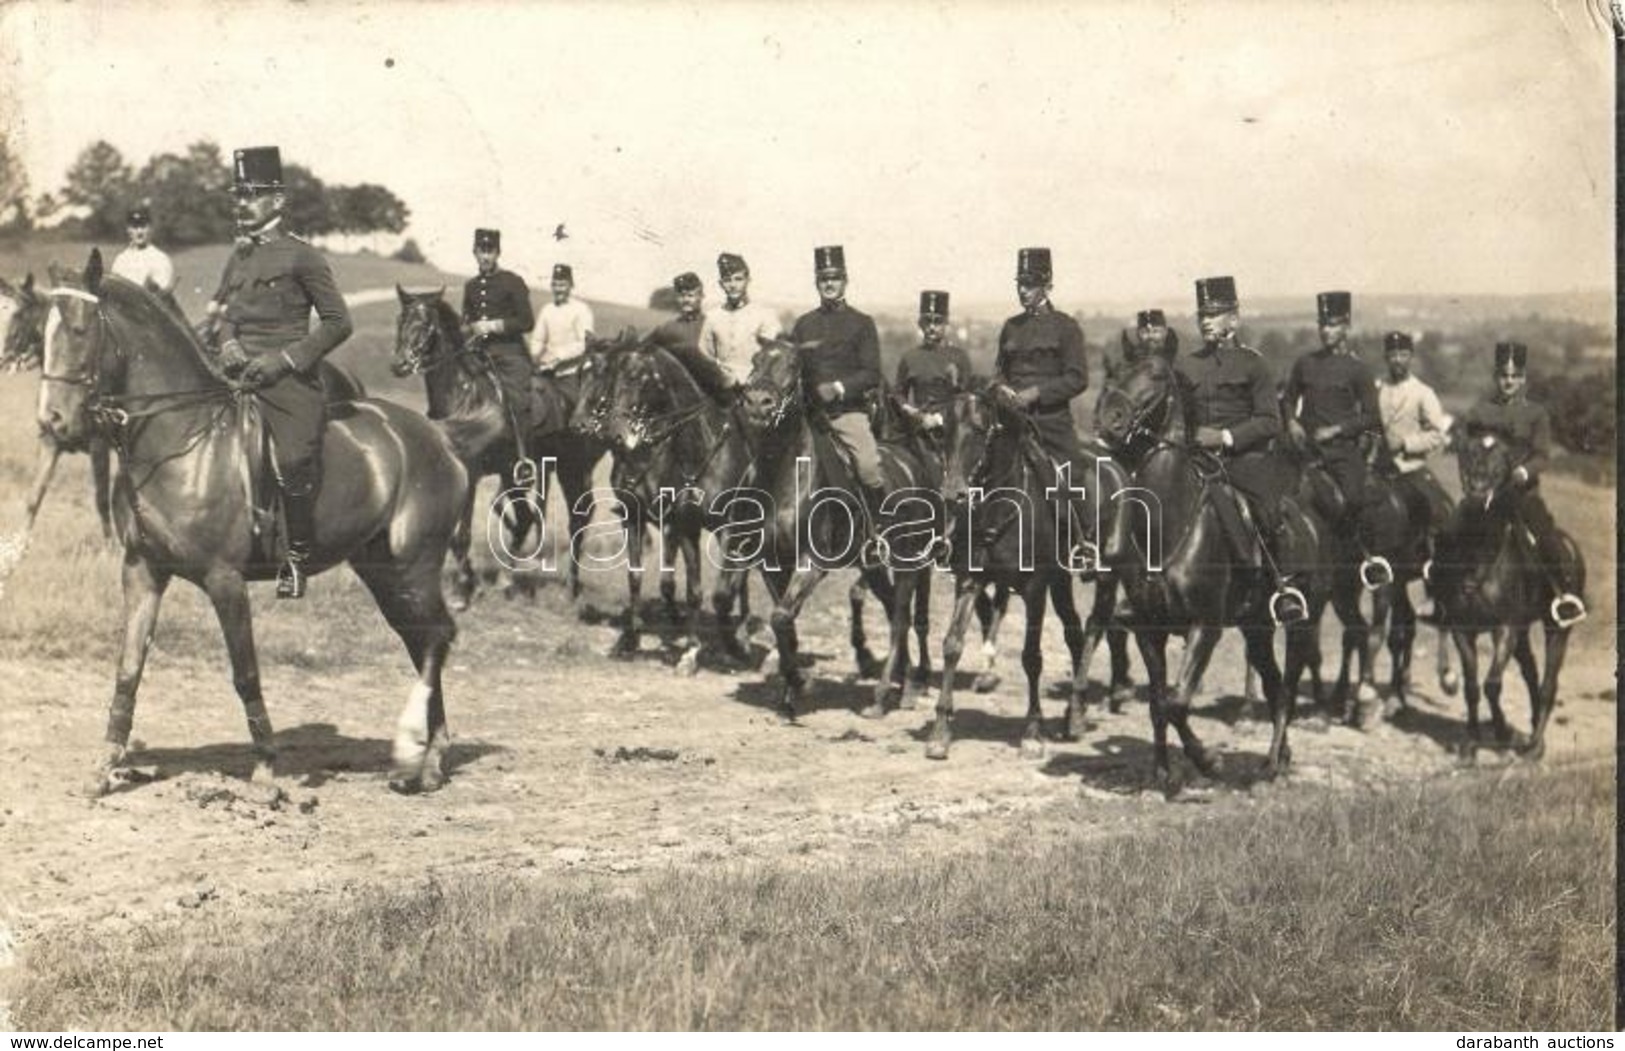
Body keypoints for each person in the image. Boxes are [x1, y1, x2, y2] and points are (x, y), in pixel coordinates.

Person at [204, 146, 353, 599]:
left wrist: (285, 360)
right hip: (236, 373)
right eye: (239, 194)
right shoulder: (240, 256)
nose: (242, 202)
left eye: (252, 193)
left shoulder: (301, 257)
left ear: (278, 201)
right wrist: (229, 343)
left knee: (291, 459)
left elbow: (338, 322)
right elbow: (228, 313)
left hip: (287, 380)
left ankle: (297, 556)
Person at [1176, 275, 1306, 622]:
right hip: (1196, 459)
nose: (1205, 320)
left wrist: (1225, 438)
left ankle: (1283, 587)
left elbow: (1269, 421)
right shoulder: (1186, 365)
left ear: (1234, 319)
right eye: (1202, 313)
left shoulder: (1254, 364)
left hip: (1243, 460)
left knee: (1268, 512)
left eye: (1215, 313)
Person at [1450, 341, 1585, 623]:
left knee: (1545, 538)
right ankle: (1439, 598)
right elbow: (1463, 442)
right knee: (1452, 531)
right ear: (1495, 377)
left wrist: (1525, 471)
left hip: (1521, 494)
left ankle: (1564, 595)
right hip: (1484, 495)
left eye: (1515, 376)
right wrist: (1470, 469)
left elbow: (1542, 455)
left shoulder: (1536, 414)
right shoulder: (1479, 411)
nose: (1508, 381)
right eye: (1503, 375)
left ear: (1523, 378)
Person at [788, 245, 885, 515]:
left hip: (846, 415)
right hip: (809, 417)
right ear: (816, 282)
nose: (829, 283)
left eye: (835, 278)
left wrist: (838, 388)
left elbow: (871, 373)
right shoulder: (803, 324)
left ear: (845, 281)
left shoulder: (862, 323)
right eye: (823, 278)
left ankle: (880, 531)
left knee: (867, 467)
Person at [1282, 291, 1382, 527]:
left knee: (1354, 501)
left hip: (1341, 453)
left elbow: (1372, 417)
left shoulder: (1359, 369)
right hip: (1305, 450)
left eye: (1333, 325)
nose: (1326, 330)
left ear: (1346, 326)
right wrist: (1291, 421)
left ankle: (1360, 557)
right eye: (1322, 324)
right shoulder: (1304, 363)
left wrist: (1336, 430)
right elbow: (1288, 399)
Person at [989, 247, 1088, 465]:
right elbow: (999, 373)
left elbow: (1077, 378)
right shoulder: (1011, 326)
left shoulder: (1065, 326)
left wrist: (1037, 393)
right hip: (1011, 423)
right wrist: (1000, 388)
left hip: (1051, 426)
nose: (1023, 291)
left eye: (1030, 285)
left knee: (1075, 484)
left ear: (1047, 287)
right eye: (1020, 284)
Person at [461, 228, 539, 438]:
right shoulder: (471, 286)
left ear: (497, 253)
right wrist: (468, 329)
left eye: (490, 251)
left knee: (517, 402)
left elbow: (526, 321)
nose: (486, 256)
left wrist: (493, 325)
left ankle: (523, 456)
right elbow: (466, 320)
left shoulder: (512, 281)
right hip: (479, 355)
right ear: (474, 252)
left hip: (509, 354)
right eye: (482, 251)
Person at [1375, 331, 1453, 535]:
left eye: (1403, 355)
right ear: (1386, 358)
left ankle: (1430, 560)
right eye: (1392, 355)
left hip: (1410, 469)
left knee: (1433, 510)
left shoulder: (1423, 393)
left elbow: (1436, 435)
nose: (1398, 360)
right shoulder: (1377, 388)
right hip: (1378, 469)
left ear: (1411, 357)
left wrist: (1404, 443)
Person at [696, 251, 781, 389]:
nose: (733, 285)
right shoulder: (712, 317)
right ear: (721, 284)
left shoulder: (765, 315)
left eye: (738, 279)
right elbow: (706, 357)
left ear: (748, 280)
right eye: (727, 280)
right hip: (723, 389)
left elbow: (776, 358)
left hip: (756, 390)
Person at [894, 289, 973, 430]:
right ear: (920, 324)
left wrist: (938, 418)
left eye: (937, 322)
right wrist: (915, 414)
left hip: (951, 432)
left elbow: (965, 397)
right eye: (927, 321)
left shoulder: (959, 357)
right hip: (918, 428)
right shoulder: (910, 357)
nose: (931, 327)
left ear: (946, 323)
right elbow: (899, 394)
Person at [648, 271, 732, 401]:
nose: (686, 300)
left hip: (713, 398)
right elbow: (644, 349)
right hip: (672, 401)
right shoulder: (667, 329)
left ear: (701, 296)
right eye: (681, 296)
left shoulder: (713, 326)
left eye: (690, 295)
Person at [110, 206, 180, 314]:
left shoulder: (160, 259)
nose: (139, 232)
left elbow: (162, 300)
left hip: (149, 319)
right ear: (128, 230)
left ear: (150, 228)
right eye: (134, 227)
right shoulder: (120, 260)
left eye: (143, 226)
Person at [533, 263, 594, 371]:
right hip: (548, 367)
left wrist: (559, 356)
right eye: (555, 285)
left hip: (573, 370)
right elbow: (538, 339)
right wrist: (535, 355)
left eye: (562, 285)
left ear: (571, 286)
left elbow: (585, 343)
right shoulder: (547, 310)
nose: (558, 289)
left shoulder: (581, 310)